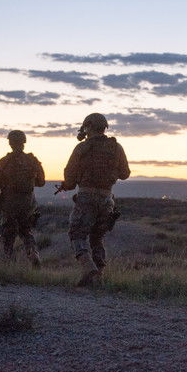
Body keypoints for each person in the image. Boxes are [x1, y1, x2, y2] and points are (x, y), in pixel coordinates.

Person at [59, 113, 130, 285]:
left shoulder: (81, 148)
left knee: (77, 234)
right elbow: (125, 174)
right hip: (107, 199)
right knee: (97, 237)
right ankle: (100, 276)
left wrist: (67, 185)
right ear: (104, 127)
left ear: (88, 127)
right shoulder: (116, 147)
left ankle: (88, 267)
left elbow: (70, 178)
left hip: (86, 197)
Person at [0, 130, 46, 267]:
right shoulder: (32, 160)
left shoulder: (4, 161)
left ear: (10, 143)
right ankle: (33, 254)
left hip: (9, 202)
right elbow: (41, 182)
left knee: (8, 233)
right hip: (28, 202)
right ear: (24, 142)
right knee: (26, 231)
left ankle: (8, 261)